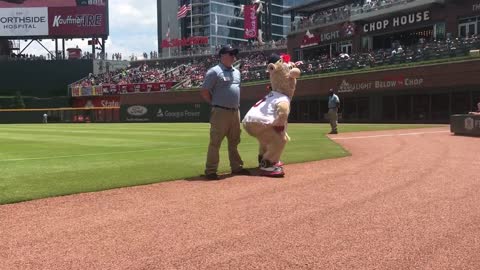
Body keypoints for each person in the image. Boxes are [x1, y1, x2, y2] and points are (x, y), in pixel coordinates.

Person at [200, 44, 250, 180]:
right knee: (215, 142)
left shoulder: (237, 72)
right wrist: (214, 103)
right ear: (222, 56)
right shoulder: (214, 71)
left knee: (234, 142)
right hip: (220, 112)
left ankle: (237, 167)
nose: (233, 56)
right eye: (230, 54)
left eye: (234, 54)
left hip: (235, 112)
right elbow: (204, 91)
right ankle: (210, 171)